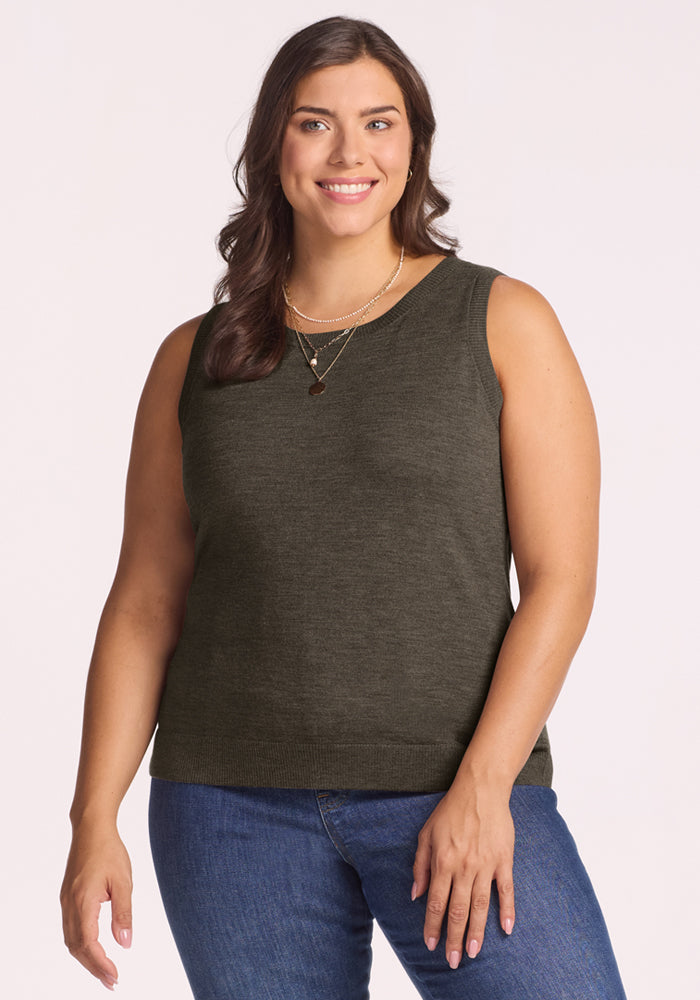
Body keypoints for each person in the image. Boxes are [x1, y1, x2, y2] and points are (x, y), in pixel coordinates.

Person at [60, 15, 628, 1000]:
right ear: (273, 145)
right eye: (314, 123)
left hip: (453, 786)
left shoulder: (500, 321)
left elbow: (561, 579)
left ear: (413, 144)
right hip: (228, 810)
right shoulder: (191, 359)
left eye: (378, 122)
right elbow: (147, 599)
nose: (349, 152)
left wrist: (486, 785)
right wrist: (91, 820)